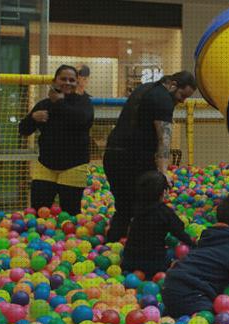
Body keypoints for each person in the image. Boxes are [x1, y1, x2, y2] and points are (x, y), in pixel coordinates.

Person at [103, 71, 197, 242]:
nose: (182, 101)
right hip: (133, 159)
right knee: (146, 206)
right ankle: (141, 246)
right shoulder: (163, 101)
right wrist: (162, 174)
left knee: (124, 206)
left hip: (112, 155)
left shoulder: (145, 88)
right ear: (173, 85)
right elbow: (164, 140)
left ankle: (115, 243)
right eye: (182, 95)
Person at [161, 194, 229, 318]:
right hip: (190, 292)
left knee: (178, 312)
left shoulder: (209, 236)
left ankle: (170, 315)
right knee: (213, 318)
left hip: (170, 285)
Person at [19, 64, 94, 215]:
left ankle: (69, 240)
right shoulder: (44, 104)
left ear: (76, 83)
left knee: (70, 213)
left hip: (73, 166)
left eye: (72, 80)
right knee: (39, 212)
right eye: (63, 79)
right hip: (46, 165)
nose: (67, 82)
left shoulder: (83, 102)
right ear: (54, 81)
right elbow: (23, 130)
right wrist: (32, 118)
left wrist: (59, 102)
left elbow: (83, 121)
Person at [121, 170, 195, 278]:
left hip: (129, 262)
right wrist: (195, 245)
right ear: (163, 192)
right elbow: (180, 231)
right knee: (175, 257)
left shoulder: (136, 208)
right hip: (155, 265)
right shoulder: (164, 212)